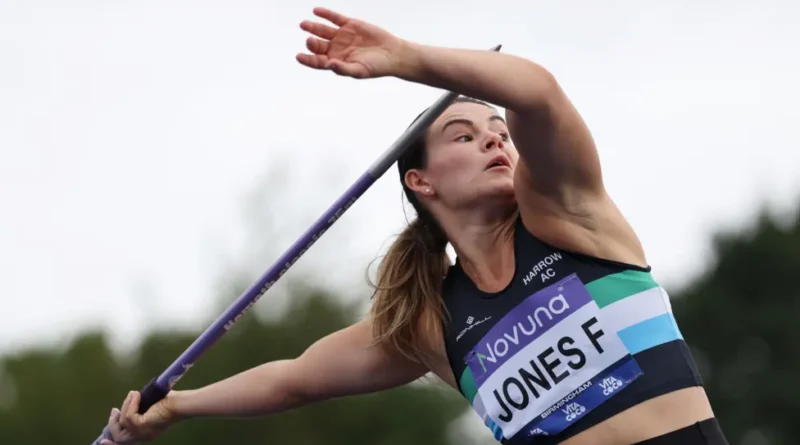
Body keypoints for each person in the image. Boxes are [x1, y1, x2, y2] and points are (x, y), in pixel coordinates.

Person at [101, 7, 729, 445]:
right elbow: (293, 379)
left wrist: (406, 58)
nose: (495, 141)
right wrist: (175, 408)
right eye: (465, 134)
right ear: (420, 182)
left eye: (498, 133)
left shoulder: (564, 217)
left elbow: (538, 93)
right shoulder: (433, 322)